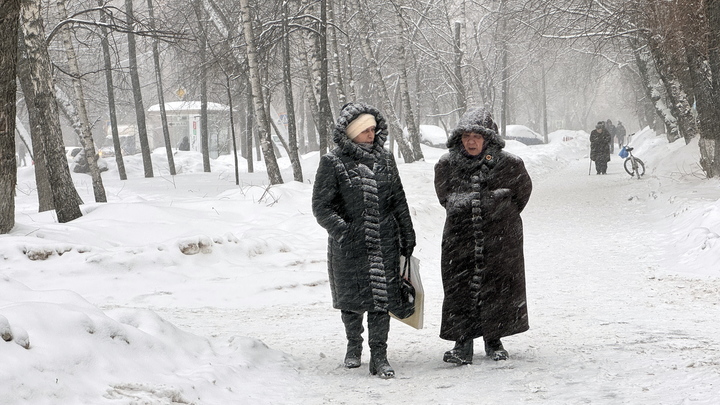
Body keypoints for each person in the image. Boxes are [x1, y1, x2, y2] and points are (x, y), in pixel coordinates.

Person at [312, 102, 416, 379]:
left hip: (384, 243)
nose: (371, 134)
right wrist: (345, 232)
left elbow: (398, 201)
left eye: (373, 129)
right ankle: (353, 345)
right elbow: (321, 207)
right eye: (365, 130)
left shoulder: (385, 159)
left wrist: (407, 233)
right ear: (351, 132)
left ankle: (379, 355)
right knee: (352, 301)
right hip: (348, 247)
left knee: (382, 300)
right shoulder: (332, 162)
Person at [434, 107, 532, 365]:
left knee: (497, 287)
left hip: (499, 237)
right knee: (460, 288)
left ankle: (494, 339)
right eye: (466, 136)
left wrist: (498, 211)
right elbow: (445, 197)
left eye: (477, 136)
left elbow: (521, 194)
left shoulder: (510, 164)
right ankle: (462, 343)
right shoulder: (447, 164)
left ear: (488, 138)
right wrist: (470, 205)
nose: (471, 141)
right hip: (460, 237)